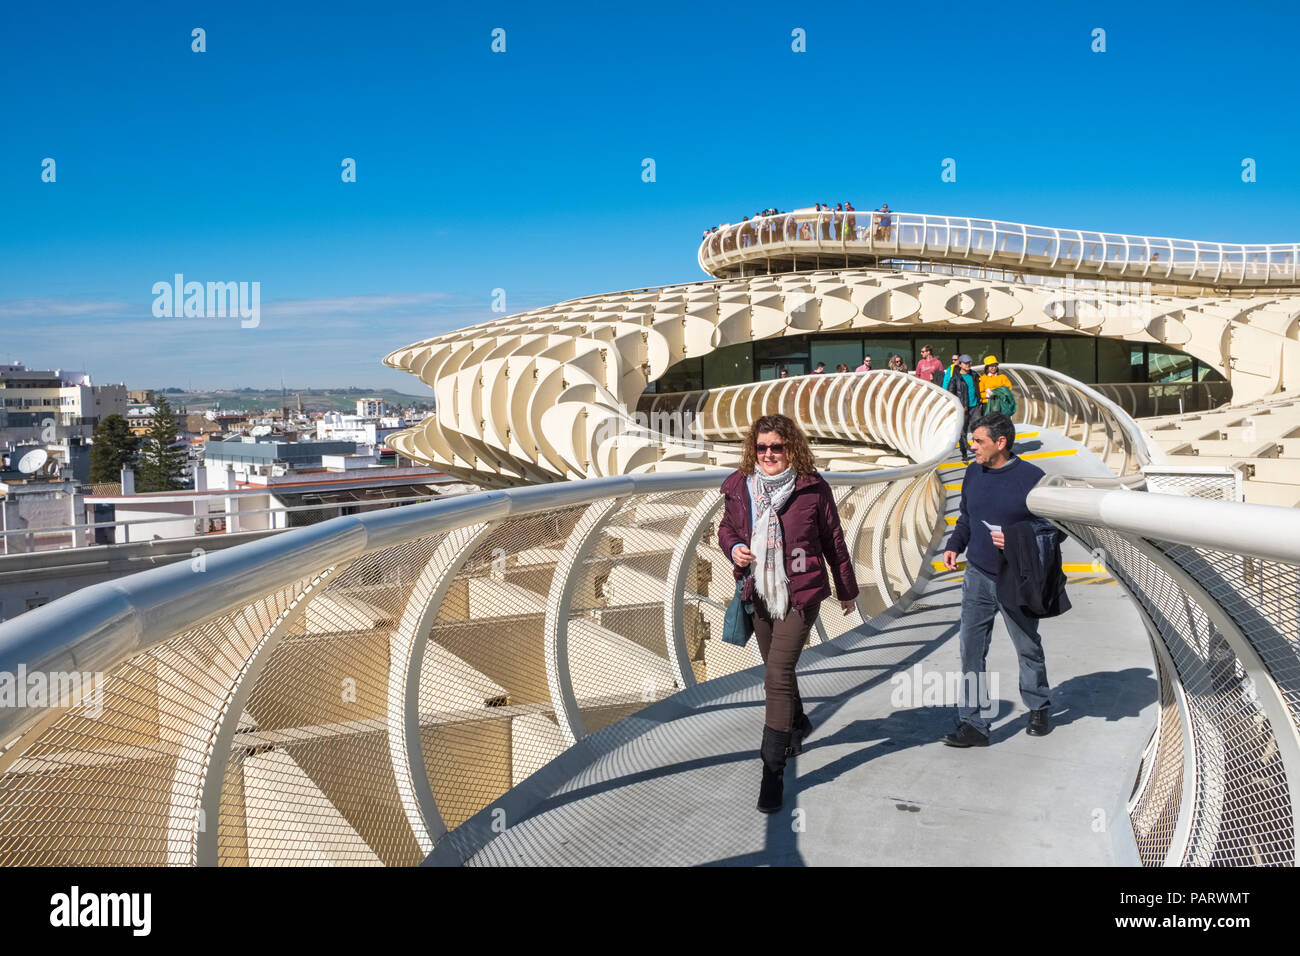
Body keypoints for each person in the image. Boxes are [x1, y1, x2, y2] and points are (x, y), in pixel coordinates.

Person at [718, 414, 859, 812]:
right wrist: (734, 549)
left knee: (776, 675)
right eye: (761, 447)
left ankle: (772, 773)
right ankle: (797, 723)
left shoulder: (812, 488)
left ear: (791, 448)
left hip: (801, 593)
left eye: (776, 447)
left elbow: (833, 540)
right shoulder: (738, 485)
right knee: (776, 666)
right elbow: (725, 528)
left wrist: (847, 590)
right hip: (758, 591)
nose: (768, 454)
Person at [940, 413, 1052, 747]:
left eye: (979, 441)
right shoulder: (974, 471)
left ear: (1000, 443)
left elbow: (1053, 530)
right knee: (971, 650)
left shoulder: (1033, 478)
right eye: (972, 440)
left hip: (1016, 576)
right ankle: (972, 723)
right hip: (977, 574)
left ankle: (1039, 706)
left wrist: (1017, 537)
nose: (972, 446)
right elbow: (967, 515)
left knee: (1027, 646)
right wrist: (955, 545)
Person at [943, 355, 980, 462]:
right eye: (965, 363)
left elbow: (980, 387)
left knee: (978, 428)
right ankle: (964, 454)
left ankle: (978, 449)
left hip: (975, 406)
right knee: (963, 431)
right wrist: (958, 406)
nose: (968, 365)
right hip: (963, 408)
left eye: (969, 362)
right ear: (960, 364)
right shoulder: (955, 378)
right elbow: (950, 394)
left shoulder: (974, 374)